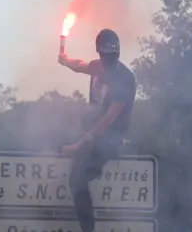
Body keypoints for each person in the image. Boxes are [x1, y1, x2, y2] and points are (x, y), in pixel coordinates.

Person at [58, 28, 136, 232]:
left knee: (77, 179)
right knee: (56, 134)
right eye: (106, 57)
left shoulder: (124, 79)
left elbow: (108, 119)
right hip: (92, 128)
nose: (109, 61)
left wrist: (79, 144)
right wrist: (65, 61)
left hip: (109, 138)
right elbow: (80, 66)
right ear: (100, 54)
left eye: (113, 56)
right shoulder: (97, 67)